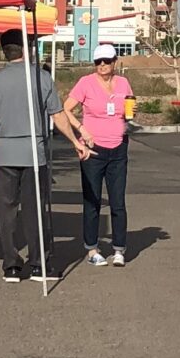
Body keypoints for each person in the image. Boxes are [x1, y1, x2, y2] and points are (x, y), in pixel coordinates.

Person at [0, 30, 61, 282]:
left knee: (6, 211)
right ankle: (38, 262)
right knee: (35, 209)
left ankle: (11, 264)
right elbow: (57, 114)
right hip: (33, 151)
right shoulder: (42, 77)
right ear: (27, 49)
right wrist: (77, 138)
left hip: (4, 151)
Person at [62, 43, 137, 266]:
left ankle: (119, 248)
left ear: (114, 62)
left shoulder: (123, 82)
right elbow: (65, 108)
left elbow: (129, 107)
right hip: (93, 149)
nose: (102, 65)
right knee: (92, 201)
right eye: (98, 62)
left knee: (118, 201)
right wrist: (81, 130)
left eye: (106, 61)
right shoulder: (85, 83)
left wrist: (131, 112)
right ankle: (92, 249)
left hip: (118, 147)